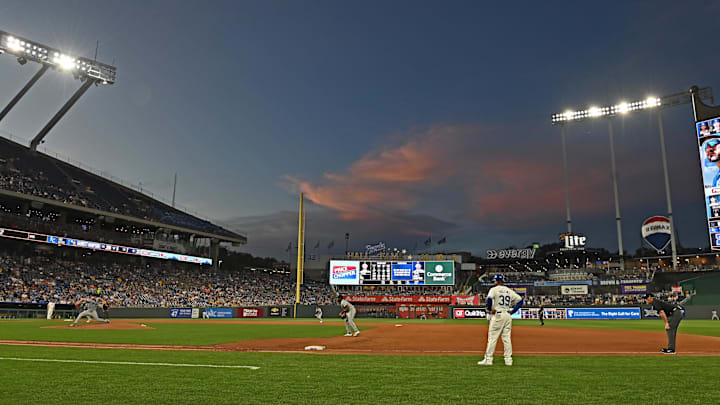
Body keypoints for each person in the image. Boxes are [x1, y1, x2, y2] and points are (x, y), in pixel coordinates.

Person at [478, 274, 523, 366]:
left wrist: (490, 309)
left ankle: (488, 359)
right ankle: (508, 360)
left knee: (492, 338)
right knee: (506, 338)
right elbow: (520, 300)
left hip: (498, 315)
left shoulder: (494, 289)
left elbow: (489, 300)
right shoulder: (509, 290)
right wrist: (513, 311)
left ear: (496, 281)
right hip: (507, 315)